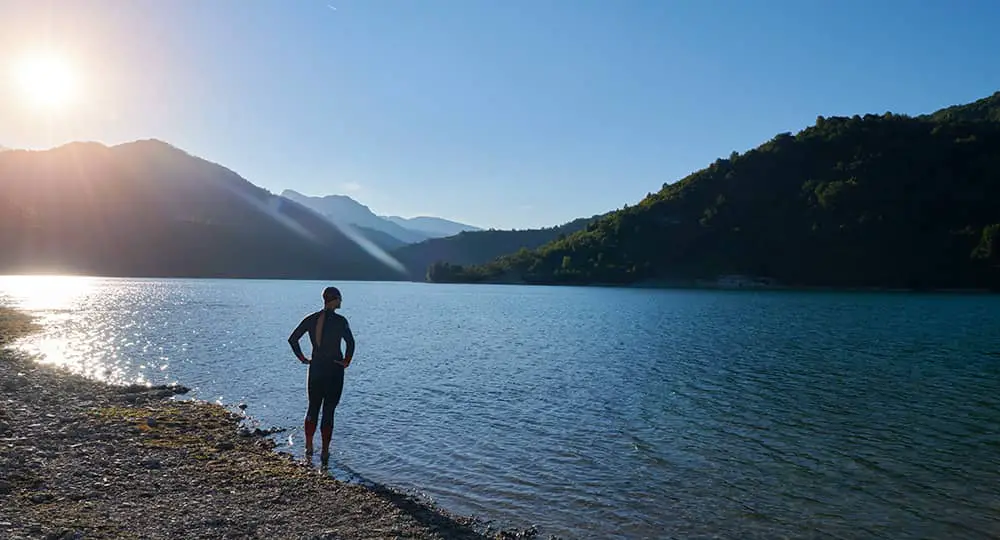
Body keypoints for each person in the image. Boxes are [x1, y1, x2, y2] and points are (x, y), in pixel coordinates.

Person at [287, 285, 355, 461]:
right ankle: (324, 451)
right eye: (340, 298)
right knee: (329, 410)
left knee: (313, 407)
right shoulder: (341, 321)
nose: (341, 301)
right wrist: (346, 361)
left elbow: (293, 339)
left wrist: (303, 358)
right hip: (334, 369)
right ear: (336, 299)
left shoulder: (312, 319)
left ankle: (309, 447)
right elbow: (351, 343)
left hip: (316, 367)